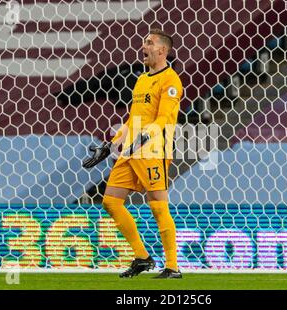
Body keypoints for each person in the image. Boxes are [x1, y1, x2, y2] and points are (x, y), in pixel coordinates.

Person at [83, 29, 183, 279]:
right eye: (143, 42)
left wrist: (145, 136)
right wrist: (109, 145)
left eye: (149, 43)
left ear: (162, 50)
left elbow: (163, 119)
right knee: (111, 202)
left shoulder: (170, 81)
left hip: (152, 150)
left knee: (158, 207)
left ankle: (172, 266)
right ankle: (142, 257)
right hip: (131, 149)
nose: (143, 46)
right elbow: (131, 119)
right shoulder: (142, 80)